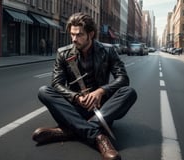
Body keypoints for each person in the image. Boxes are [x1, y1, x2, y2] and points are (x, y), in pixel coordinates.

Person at [32, 12, 137, 160]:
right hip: (75, 108)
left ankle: (71, 130)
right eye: (72, 35)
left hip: (101, 109)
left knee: (129, 92)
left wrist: (101, 91)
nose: (74, 39)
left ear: (91, 34)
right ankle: (98, 136)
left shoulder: (107, 51)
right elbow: (56, 83)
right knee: (44, 91)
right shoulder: (63, 54)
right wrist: (76, 98)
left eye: (79, 35)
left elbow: (123, 78)